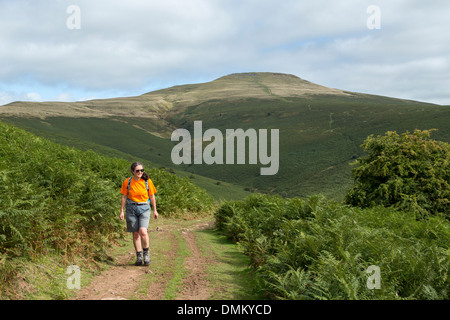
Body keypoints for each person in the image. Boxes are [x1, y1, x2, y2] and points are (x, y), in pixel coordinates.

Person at [120, 162, 158, 266]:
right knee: (135, 233)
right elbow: (124, 196)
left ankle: (146, 254)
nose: (140, 172)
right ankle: (139, 256)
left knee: (143, 231)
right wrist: (122, 211)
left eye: (142, 170)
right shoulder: (127, 182)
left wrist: (155, 210)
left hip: (144, 208)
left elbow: (152, 196)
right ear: (133, 171)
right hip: (131, 208)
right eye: (137, 170)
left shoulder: (147, 181)